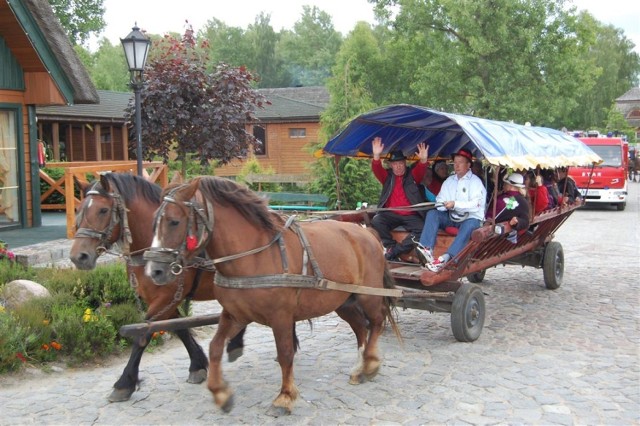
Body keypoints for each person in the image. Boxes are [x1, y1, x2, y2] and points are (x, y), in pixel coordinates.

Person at [415, 148, 486, 272]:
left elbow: (477, 205)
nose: (457, 165)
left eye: (460, 162)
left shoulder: (476, 182)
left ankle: (448, 257)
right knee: (433, 214)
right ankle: (426, 249)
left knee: (470, 225)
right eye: (455, 162)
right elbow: (440, 200)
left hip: (470, 218)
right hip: (452, 217)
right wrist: (442, 205)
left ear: (468, 165)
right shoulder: (449, 181)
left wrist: (455, 204)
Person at [370, 137, 429, 261]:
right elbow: (377, 169)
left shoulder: (412, 175)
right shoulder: (387, 177)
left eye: (401, 163)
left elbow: (421, 168)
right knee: (377, 221)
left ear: (405, 163)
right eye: (395, 164)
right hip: (391, 214)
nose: (398, 167)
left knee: (423, 229)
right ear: (391, 165)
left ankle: (396, 250)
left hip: (411, 215)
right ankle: (390, 246)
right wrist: (376, 156)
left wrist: (423, 160)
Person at [486, 173, 530, 243]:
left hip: (493, 233)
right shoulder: (518, 198)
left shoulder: (517, 200)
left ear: (510, 186)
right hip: (497, 232)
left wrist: (517, 222)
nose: (503, 185)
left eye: (505, 183)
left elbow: (526, 222)